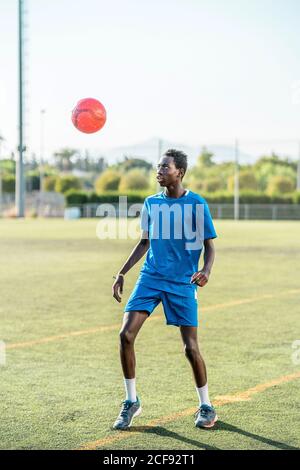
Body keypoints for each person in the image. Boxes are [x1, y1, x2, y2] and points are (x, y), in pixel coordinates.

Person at [112, 149, 217, 430]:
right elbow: (144, 242)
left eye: (164, 167)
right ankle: (131, 401)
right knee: (125, 335)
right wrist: (122, 272)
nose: (158, 171)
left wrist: (205, 271)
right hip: (151, 277)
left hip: (183, 281)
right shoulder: (151, 203)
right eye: (158, 167)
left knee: (190, 348)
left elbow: (209, 244)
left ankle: (206, 405)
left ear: (179, 172)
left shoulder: (196, 204)